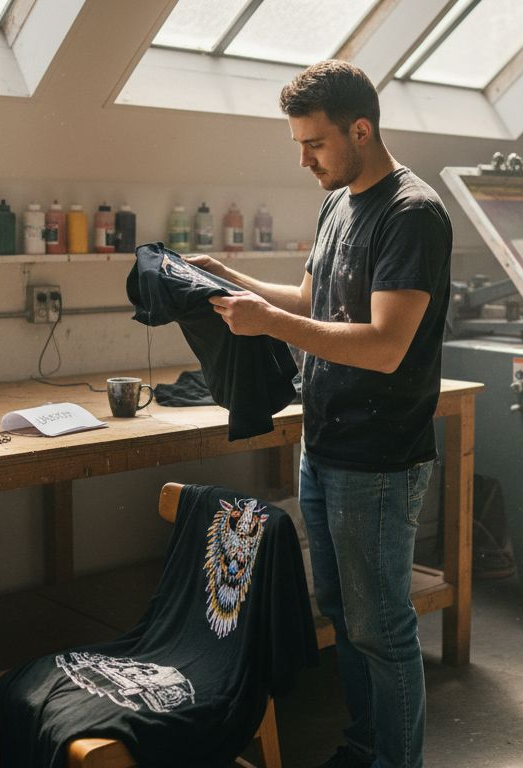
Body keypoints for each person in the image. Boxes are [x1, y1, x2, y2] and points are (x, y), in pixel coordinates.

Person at [185, 60, 452, 768]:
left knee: (380, 629)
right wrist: (231, 279)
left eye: (315, 144)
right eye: (299, 145)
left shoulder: (411, 214)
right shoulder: (339, 201)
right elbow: (311, 300)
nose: (304, 160)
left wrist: (268, 323)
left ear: (360, 130)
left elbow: (386, 346)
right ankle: (364, 749)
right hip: (324, 445)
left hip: (380, 459)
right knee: (342, 614)